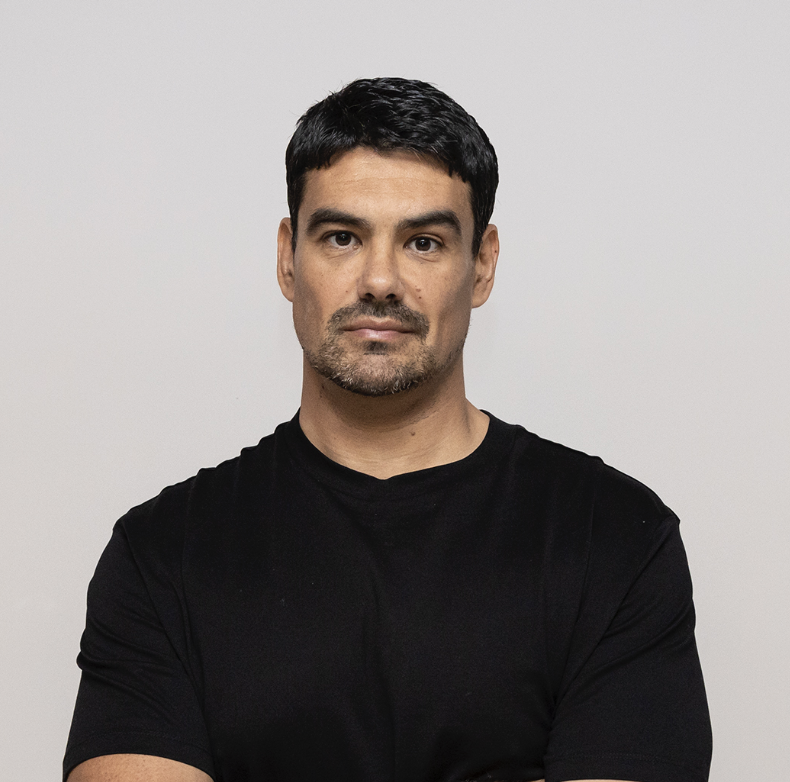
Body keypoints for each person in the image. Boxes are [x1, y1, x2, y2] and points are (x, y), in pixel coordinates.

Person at [64, 77, 712, 782]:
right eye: (342, 238)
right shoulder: (163, 557)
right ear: (287, 258)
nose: (380, 280)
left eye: (424, 242)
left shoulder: (612, 539)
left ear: (482, 265)